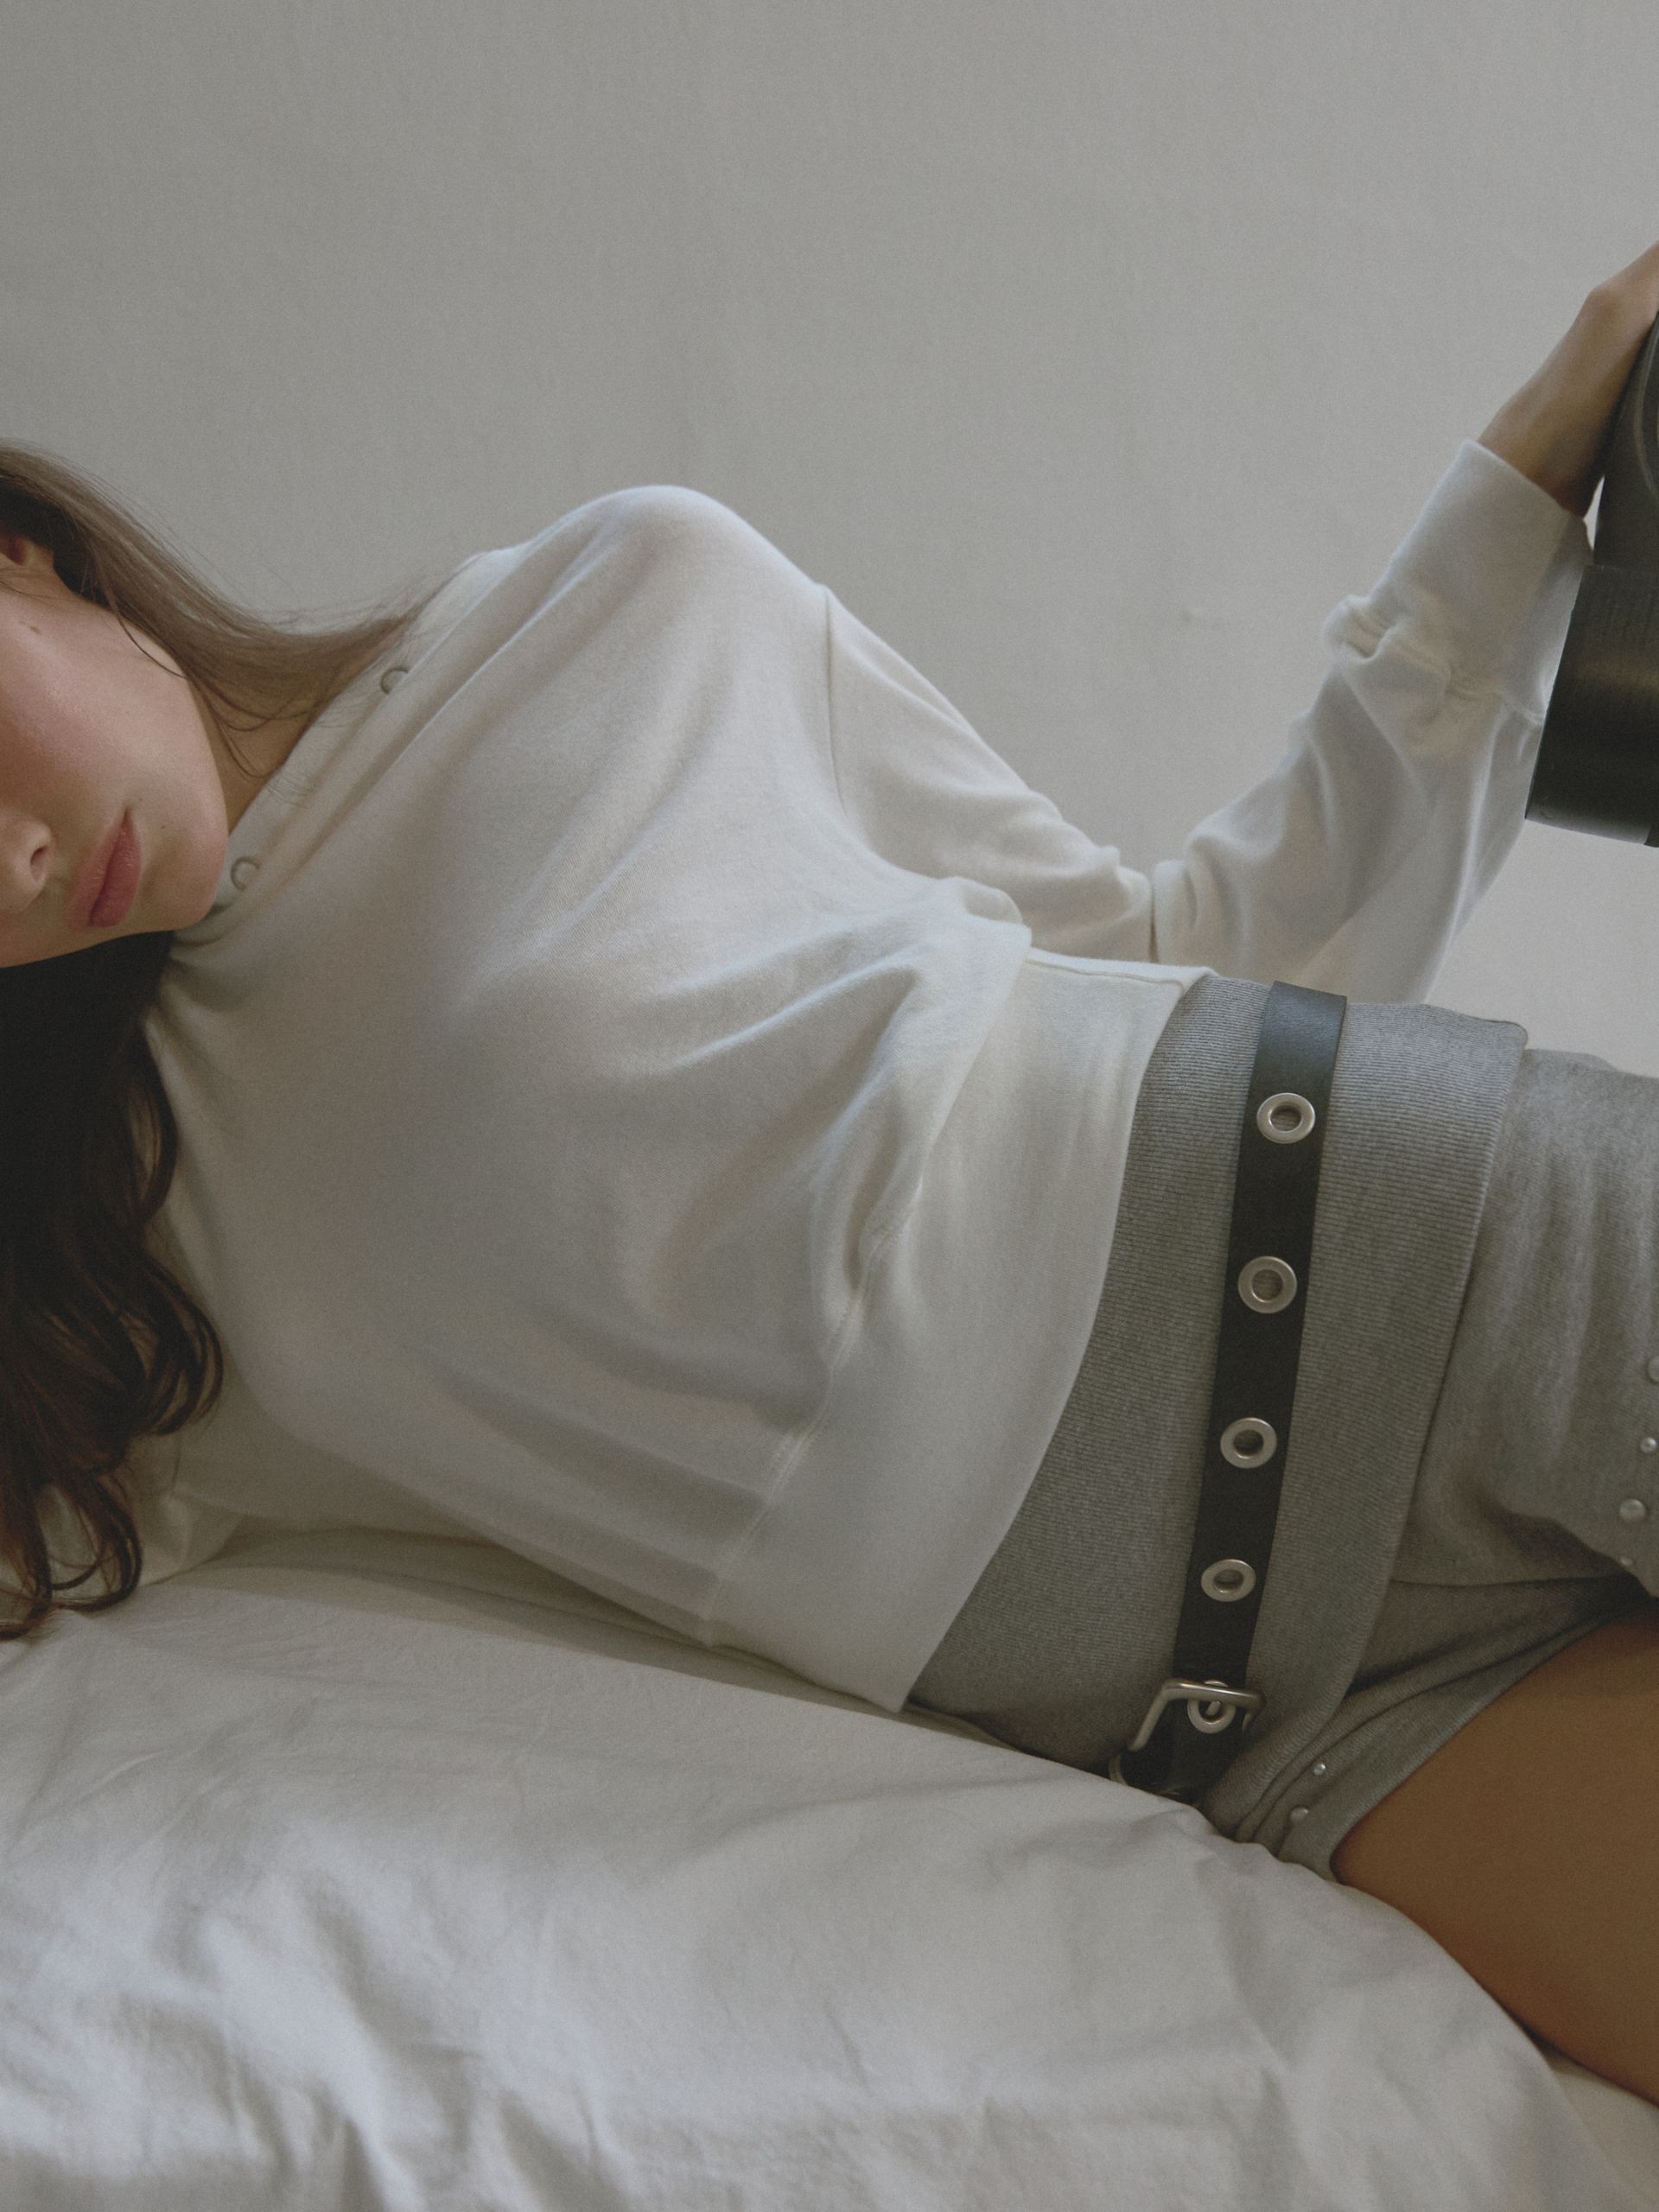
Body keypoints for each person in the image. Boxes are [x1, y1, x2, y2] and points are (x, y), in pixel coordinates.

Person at [1, 238, 1656, 2107]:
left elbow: (1210, 950)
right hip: (1284, 1717)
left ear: (23, 554)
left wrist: (1524, 477)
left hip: (1462, 1265)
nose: (13, 870)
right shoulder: (116, 1260)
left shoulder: (615, 605)